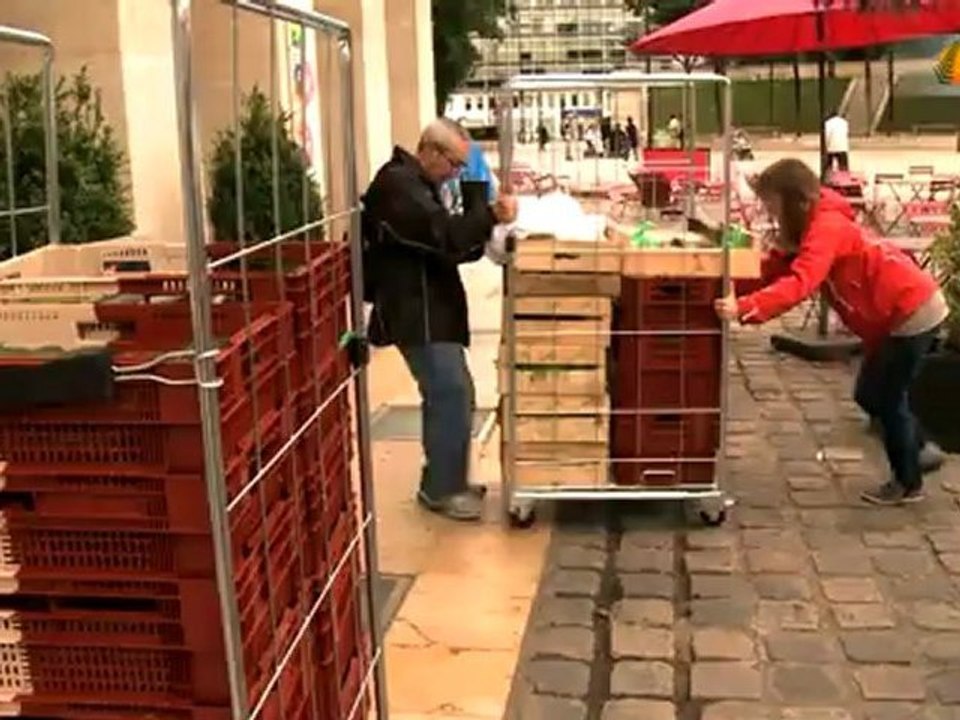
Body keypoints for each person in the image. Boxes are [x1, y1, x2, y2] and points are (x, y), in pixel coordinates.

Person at [714, 159, 947, 506]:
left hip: (912, 312)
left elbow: (802, 281)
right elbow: (777, 268)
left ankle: (907, 481)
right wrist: (729, 285)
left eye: (773, 205)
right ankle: (921, 449)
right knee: (869, 394)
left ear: (795, 201)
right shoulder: (808, 225)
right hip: (894, 315)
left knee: (886, 398)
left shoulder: (826, 228)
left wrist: (746, 307)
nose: (770, 214)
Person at [361, 119, 518, 521]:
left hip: (432, 309)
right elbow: (442, 235)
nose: (455, 171)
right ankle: (441, 490)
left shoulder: (419, 186)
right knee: (448, 391)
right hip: (416, 312)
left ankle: (448, 480)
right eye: (453, 163)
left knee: (455, 391)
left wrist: (478, 214)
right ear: (429, 151)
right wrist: (487, 214)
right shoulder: (398, 187)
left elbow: (453, 246)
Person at [824, 109, 850, 173]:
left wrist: (826, 146)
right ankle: (844, 178)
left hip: (831, 147)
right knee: (843, 167)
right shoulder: (844, 122)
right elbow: (846, 133)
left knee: (828, 167)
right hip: (842, 147)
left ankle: (828, 178)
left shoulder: (827, 123)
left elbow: (827, 135)